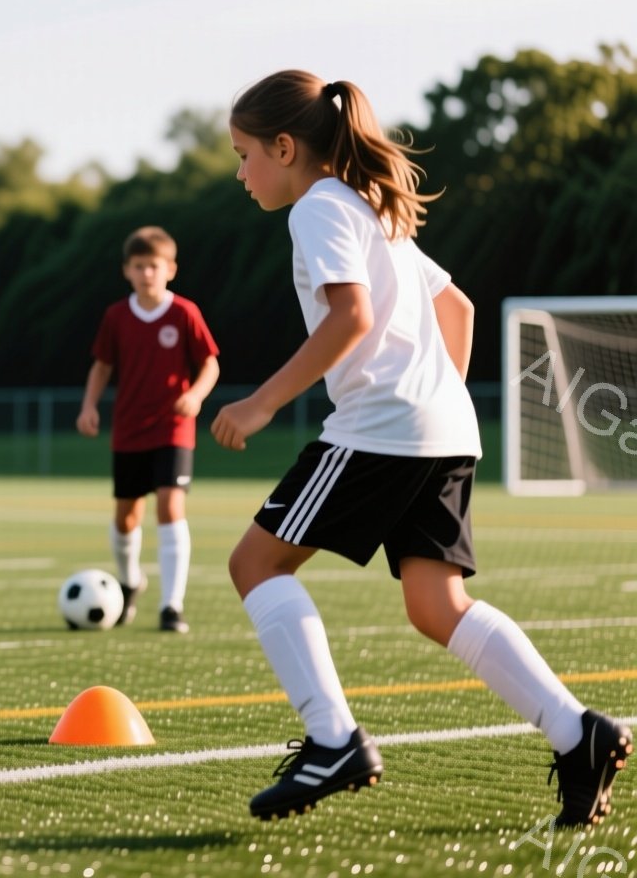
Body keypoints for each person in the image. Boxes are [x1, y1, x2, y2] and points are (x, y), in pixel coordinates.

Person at [214, 70, 629, 825]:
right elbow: (456, 307)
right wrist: (435, 403)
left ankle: (333, 740)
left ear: (285, 147)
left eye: (245, 155)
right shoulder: (374, 208)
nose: (241, 174)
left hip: (382, 428)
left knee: (255, 564)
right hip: (443, 429)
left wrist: (262, 401)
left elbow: (350, 317)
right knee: (438, 605)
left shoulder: (317, 208)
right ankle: (579, 734)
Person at [76, 226, 219, 633]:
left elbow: (210, 364)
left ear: (170, 269)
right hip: (129, 430)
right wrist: (88, 406)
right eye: (139, 266)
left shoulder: (185, 313)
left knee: (170, 507)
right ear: (127, 270)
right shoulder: (117, 316)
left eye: (154, 266)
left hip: (173, 428)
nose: (146, 273)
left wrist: (196, 396)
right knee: (126, 518)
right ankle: (130, 582)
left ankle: (171, 605)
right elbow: (102, 365)